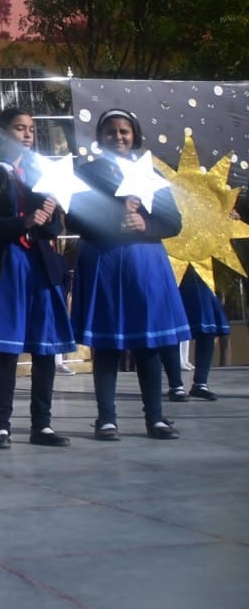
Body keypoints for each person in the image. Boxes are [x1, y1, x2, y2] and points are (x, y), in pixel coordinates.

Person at [68, 109, 189, 441]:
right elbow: (74, 220)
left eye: (124, 131)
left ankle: (156, 418)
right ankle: (106, 419)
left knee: (148, 343)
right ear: (100, 137)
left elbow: (173, 222)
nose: (118, 137)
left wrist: (145, 224)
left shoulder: (150, 174)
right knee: (106, 345)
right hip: (103, 264)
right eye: (111, 132)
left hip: (144, 266)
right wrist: (114, 218)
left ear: (134, 135)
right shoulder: (87, 173)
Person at [0, 108, 77, 449]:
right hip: (6, 264)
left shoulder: (41, 173)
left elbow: (53, 228)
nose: (28, 134)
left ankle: (42, 425)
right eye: (19, 128)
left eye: (31, 128)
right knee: (7, 349)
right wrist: (23, 222)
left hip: (41, 266)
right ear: (2, 132)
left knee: (45, 348)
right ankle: (0, 426)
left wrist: (48, 217)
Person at [178, 266, 231, 401]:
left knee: (208, 329)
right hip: (173, 275)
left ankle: (200, 383)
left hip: (201, 274)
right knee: (171, 331)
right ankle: (176, 385)